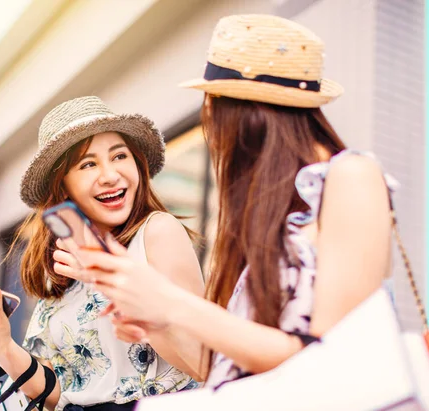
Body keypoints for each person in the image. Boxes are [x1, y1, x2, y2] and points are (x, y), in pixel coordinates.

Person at [65, 14, 398, 387]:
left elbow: (329, 356)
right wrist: (156, 324)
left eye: (211, 109)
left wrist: (171, 302)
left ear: (241, 113)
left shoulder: (352, 175)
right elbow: (222, 370)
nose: (210, 129)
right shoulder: (270, 212)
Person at [0, 96, 204, 411]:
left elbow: (200, 359)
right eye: (88, 164)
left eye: (119, 156)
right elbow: (61, 390)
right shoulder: (63, 265)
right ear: (63, 187)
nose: (110, 174)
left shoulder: (157, 232)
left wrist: (110, 286)